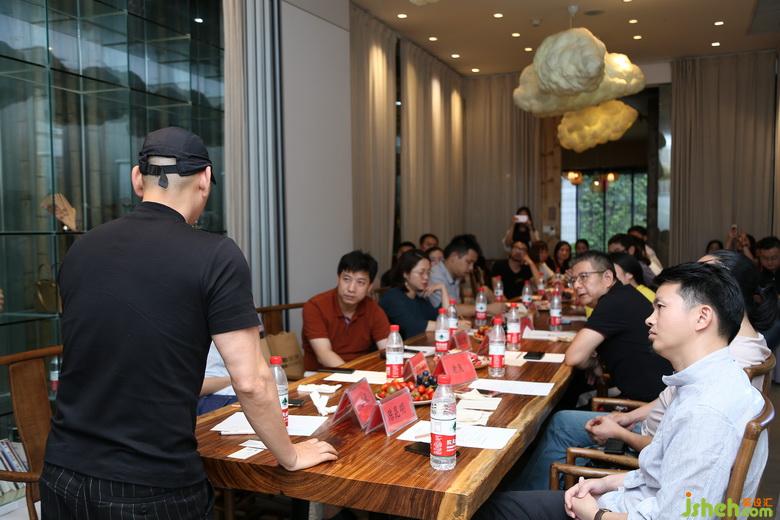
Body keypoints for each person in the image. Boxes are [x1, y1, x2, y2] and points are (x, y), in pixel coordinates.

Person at [41, 127, 337, 518]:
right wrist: (291, 455)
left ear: (137, 178)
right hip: (151, 485)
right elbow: (251, 380)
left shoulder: (81, 250)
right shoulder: (216, 255)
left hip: (62, 475)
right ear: (205, 180)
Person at [477, 262, 768, 520]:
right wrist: (607, 482)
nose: (649, 319)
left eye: (660, 307)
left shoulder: (705, 412)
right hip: (628, 500)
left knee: (488, 510)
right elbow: (663, 475)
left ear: (702, 318)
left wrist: (596, 514)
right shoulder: (713, 381)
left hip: (618, 512)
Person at [564, 251, 672, 402]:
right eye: (573, 280)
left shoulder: (613, 303)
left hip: (648, 404)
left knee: (562, 411)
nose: (576, 285)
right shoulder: (622, 294)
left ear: (607, 278)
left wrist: (593, 363)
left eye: (583, 277)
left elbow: (573, 357)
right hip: (657, 395)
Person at [303, 250, 390, 370]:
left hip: (361, 372)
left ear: (369, 287)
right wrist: (355, 376)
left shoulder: (373, 309)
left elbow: (387, 350)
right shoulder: (315, 306)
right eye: (346, 279)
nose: (351, 289)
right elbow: (324, 355)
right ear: (338, 279)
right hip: (322, 375)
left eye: (360, 282)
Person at [428, 234, 504, 318]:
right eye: (468, 262)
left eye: (473, 264)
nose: (471, 268)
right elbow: (449, 308)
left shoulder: (455, 275)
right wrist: (486, 308)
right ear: (454, 256)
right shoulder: (435, 275)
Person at [379, 250, 450, 339]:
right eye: (421, 273)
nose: (426, 277)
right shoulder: (392, 298)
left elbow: (443, 317)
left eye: (428, 272)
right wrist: (452, 324)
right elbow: (414, 326)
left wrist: (443, 288)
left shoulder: (419, 298)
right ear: (405, 274)